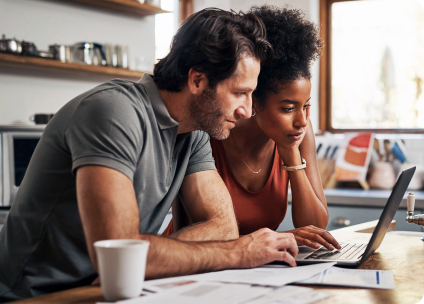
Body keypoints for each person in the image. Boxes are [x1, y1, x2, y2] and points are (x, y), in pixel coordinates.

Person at [0, 8, 300, 302]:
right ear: (197, 80)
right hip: (35, 296)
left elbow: (223, 228)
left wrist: (146, 256)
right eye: (239, 93)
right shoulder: (114, 112)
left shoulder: (194, 132)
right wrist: (238, 252)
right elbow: (120, 252)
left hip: (113, 290)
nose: (246, 110)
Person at [164, 5, 341, 251]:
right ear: (254, 100)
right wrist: (279, 238)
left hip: (254, 266)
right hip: (194, 260)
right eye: (288, 108)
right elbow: (196, 231)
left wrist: (290, 154)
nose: (302, 120)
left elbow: (316, 227)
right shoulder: (211, 129)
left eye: (306, 106)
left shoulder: (297, 133)